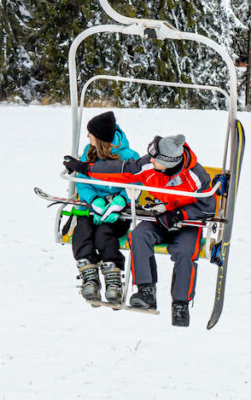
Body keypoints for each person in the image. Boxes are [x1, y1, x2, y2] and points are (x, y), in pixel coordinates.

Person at [63, 134, 215, 327]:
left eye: (155, 158)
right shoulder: (148, 165)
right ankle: (145, 290)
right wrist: (84, 167)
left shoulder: (196, 176)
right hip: (158, 216)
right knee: (139, 236)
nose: (150, 160)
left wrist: (179, 215)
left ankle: (180, 304)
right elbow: (119, 170)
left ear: (168, 162)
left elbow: (209, 207)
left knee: (185, 252)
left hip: (188, 223)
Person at [70, 111, 139, 304]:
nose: (87, 137)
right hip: (93, 209)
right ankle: (89, 275)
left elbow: (136, 185)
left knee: (103, 234)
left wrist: (119, 201)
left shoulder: (128, 157)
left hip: (118, 214)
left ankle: (113, 278)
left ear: (100, 137)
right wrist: (94, 201)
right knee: (81, 231)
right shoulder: (88, 151)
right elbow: (81, 181)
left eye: (90, 133)